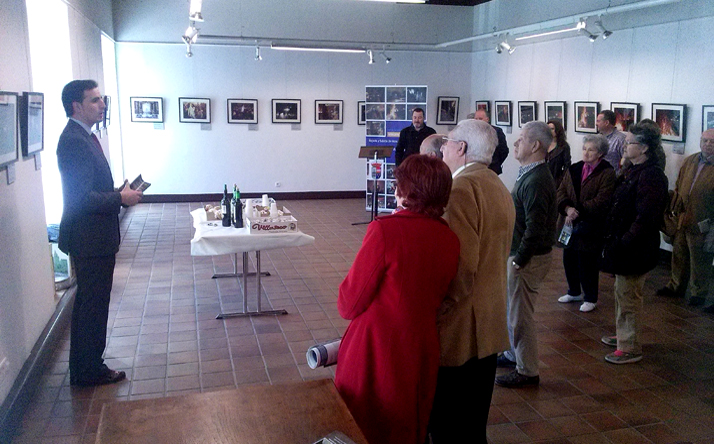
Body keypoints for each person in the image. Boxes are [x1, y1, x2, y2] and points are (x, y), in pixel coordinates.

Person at [335, 155, 459, 444]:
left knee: (366, 424)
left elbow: (349, 303)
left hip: (377, 349)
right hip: (421, 345)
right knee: (408, 423)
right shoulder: (449, 238)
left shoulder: (385, 230)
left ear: (407, 190)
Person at [430, 120, 515, 443]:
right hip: (490, 318)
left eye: (448, 142)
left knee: (451, 423)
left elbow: (461, 265)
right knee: (474, 420)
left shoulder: (462, 188)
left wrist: (439, 310)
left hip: (463, 325)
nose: (444, 148)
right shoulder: (496, 184)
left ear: (462, 149)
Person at [57, 80, 143, 386]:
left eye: (101, 99)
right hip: (89, 238)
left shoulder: (84, 137)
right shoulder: (74, 141)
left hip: (94, 237)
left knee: (91, 305)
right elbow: (81, 199)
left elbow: (89, 190)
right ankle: (88, 369)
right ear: (76, 107)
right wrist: (120, 198)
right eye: (95, 101)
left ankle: (86, 366)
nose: (102, 105)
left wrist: (117, 192)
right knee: (92, 306)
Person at [600, 122, 668, 364]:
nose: (626, 146)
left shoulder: (652, 175)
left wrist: (626, 240)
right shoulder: (634, 169)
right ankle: (623, 335)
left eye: (630, 143)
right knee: (622, 292)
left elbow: (646, 216)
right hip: (625, 244)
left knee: (629, 295)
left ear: (645, 148)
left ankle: (629, 346)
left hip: (635, 248)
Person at [496, 121, 557, 388]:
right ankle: (513, 353)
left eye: (521, 139)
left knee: (521, 316)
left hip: (528, 259)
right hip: (522, 254)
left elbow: (536, 226)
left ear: (536, 145)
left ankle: (528, 370)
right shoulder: (529, 173)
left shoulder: (537, 179)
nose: (516, 143)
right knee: (513, 311)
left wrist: (520, 259)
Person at [556, 134, 616, 312]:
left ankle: (590, 297)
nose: (586, 152)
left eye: (591, 150)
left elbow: (603, 199)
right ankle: (574, 291)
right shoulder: (575, 168)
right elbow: (561, 191)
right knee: (569, 258)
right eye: (584, 148)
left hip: (591, 224)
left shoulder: (607, 172)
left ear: (601, 153)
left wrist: (578, 211)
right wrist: (567, 208)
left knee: (587, 261)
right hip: (570, 221)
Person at [657, 129, 714, 310]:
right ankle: (676, 286)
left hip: (703, 221)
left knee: (700, 260)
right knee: (679, 254)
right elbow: (680, 184)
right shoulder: (691, 160)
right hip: (683, 218)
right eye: (704, 140)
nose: (707, 144)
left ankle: (698, 293)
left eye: (712, 142)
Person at [473, 109, 510, 175]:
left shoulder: (496, 131)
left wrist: (495, 163)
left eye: (480, 119)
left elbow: (504, 151)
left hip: (492, 168)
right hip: (474, 168)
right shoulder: (471, 132)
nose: (478, 121)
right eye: (476, 119)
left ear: (487, 119)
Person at [546, 119, 571, 190]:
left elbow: (567, 165)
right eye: (548, 129)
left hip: (556, 180)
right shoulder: (543, 144)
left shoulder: (563, 146)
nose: (550, 131)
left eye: (552, 129)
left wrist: (562, 180)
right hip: (543, 178)